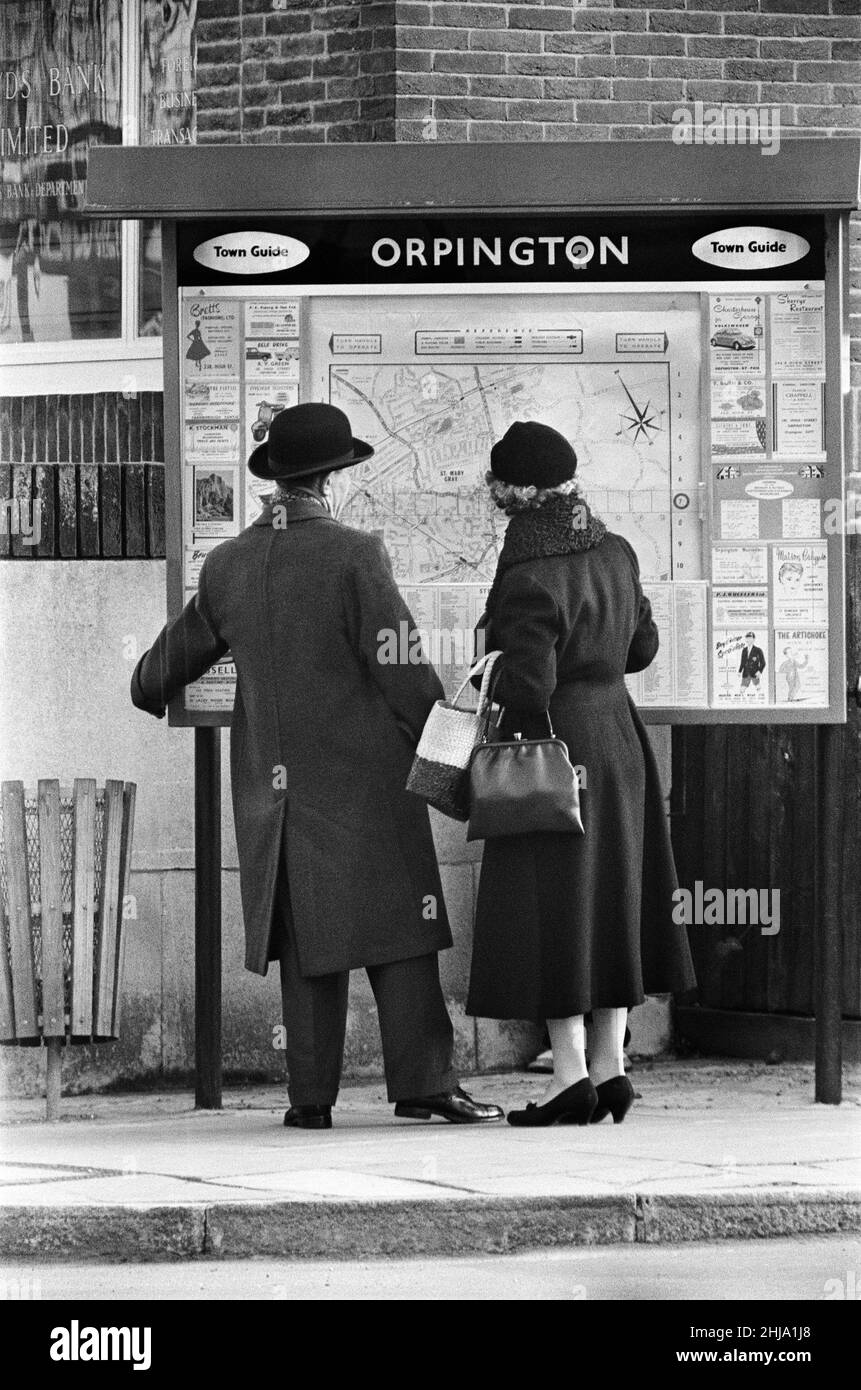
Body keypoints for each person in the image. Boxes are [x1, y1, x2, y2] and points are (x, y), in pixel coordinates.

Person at [131, 403, 502, 1131]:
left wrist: (149, 688)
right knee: (403, 930)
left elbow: (155, 674)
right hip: (367, 781)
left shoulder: (230, 563)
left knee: (305, 941)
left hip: (275, 794)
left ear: (276, 481)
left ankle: (310, 1099)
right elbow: (400, 665)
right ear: (331, 476)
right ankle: (423, 1083)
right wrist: (446, 738)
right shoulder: (355, 554)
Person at [466, 421, 696, 1127]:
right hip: (620, 745)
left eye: (498, 484)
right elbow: (642, 646)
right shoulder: (616, 551)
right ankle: (611, 1068)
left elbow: (528, 684)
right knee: (614, 900)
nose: (493, 494)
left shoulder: (528, 572)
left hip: (553, 751)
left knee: (555, 910)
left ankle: (569, 1078)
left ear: (518, 490)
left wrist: (490, 660)